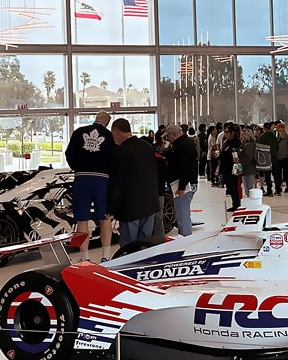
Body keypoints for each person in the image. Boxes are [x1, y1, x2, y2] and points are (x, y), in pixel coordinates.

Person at [65, 111, 114, 262]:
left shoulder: (79, 132)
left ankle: (84, 258)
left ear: (96, 119)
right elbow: (114, 158)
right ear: (107, 123)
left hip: (82, 179)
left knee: (82, 220)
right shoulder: (109, 136)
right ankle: (105, 257)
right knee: (105, 219)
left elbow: (69, 154)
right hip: (102, 180)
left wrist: (78, 167)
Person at [108, 118, 159, 246]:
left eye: (112, 134)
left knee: (129, 246)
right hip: (150, 203)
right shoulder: (147, 147)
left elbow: (117, 182)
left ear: (116, 131)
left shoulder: (121, 152)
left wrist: (111, 207)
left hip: (130, 207)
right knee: (145, 244)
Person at [163, 124, 199, 235]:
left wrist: (182, 187)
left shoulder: (184, 146)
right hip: (183, 182)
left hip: (184, 184)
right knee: (181, 212)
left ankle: (185, 238)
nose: (167, 138)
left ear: (174, 134)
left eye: (168, 136)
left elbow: (186, 167)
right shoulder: (181, 144)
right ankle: (184, 235)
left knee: (182, 214)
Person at [219, 124, 242, 211]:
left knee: (234, 186)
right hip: (225, 168)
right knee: (229, 186)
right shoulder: (226, 141)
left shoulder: (236, 142)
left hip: (233, 168)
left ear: (232, 132)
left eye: (227, 132)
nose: (226, 134)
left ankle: (237, 204)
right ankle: (234, 203)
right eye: (224, 132)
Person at [239, 126, 257, 198]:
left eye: (242, 134)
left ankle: (251, 200)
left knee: (249, 187)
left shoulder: (248, 145)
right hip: (245, 169)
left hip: (249, 169)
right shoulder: (244, 145)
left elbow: (249, 158)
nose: (241, 136)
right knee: (246, 187)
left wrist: (239, 160)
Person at [274, 123, 288, 194]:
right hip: (278, 158)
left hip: (285, 158)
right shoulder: (276, 138)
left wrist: (287, 154)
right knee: (278, 173)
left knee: (286, 172)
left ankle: (287, 185)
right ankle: (278, 186)